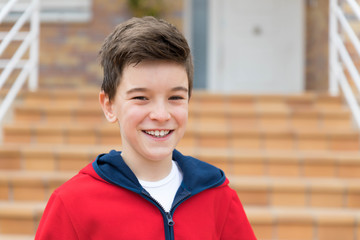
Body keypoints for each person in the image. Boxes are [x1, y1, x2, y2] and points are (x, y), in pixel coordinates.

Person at [35, 16, 257, 240]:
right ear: (109, 105)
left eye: (175, 97)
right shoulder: (72, 203)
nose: (161, 115)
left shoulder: (218, 197)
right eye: (141, 97)